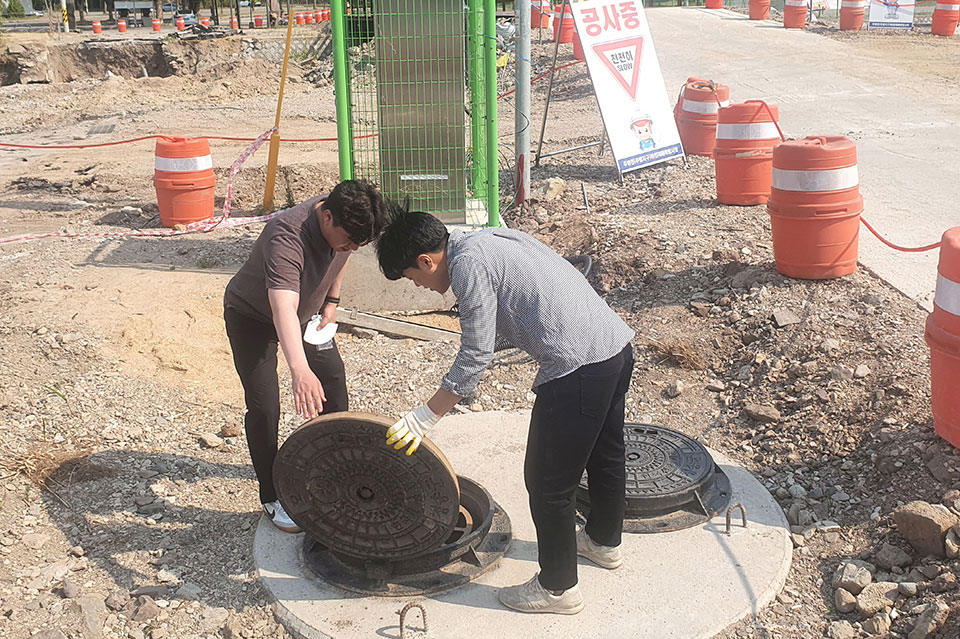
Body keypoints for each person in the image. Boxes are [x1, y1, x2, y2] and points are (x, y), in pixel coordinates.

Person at [375, 210, 635, 615]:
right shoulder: (485, 237)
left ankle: (557, 590)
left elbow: (476, 352)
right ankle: (603, 543)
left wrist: (426, 415)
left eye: (413, 277)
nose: (421, 286)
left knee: (548, 482)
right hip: (614, 346)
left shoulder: (466, 266)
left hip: (578, 369)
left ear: (427, 260)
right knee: (605, 454)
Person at [223, 180, 387, 533]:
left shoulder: (344, 219)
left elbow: (343, 255)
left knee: (333, 382)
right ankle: (272, 495)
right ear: (327, 217)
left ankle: (336, 466)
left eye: (359, 243)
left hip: (307, 315)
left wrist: (332, 301)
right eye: (348, 239)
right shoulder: (286, 235)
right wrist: (298, 369)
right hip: (254, 317)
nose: (351, 247)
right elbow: (282, 309)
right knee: (265, 405)